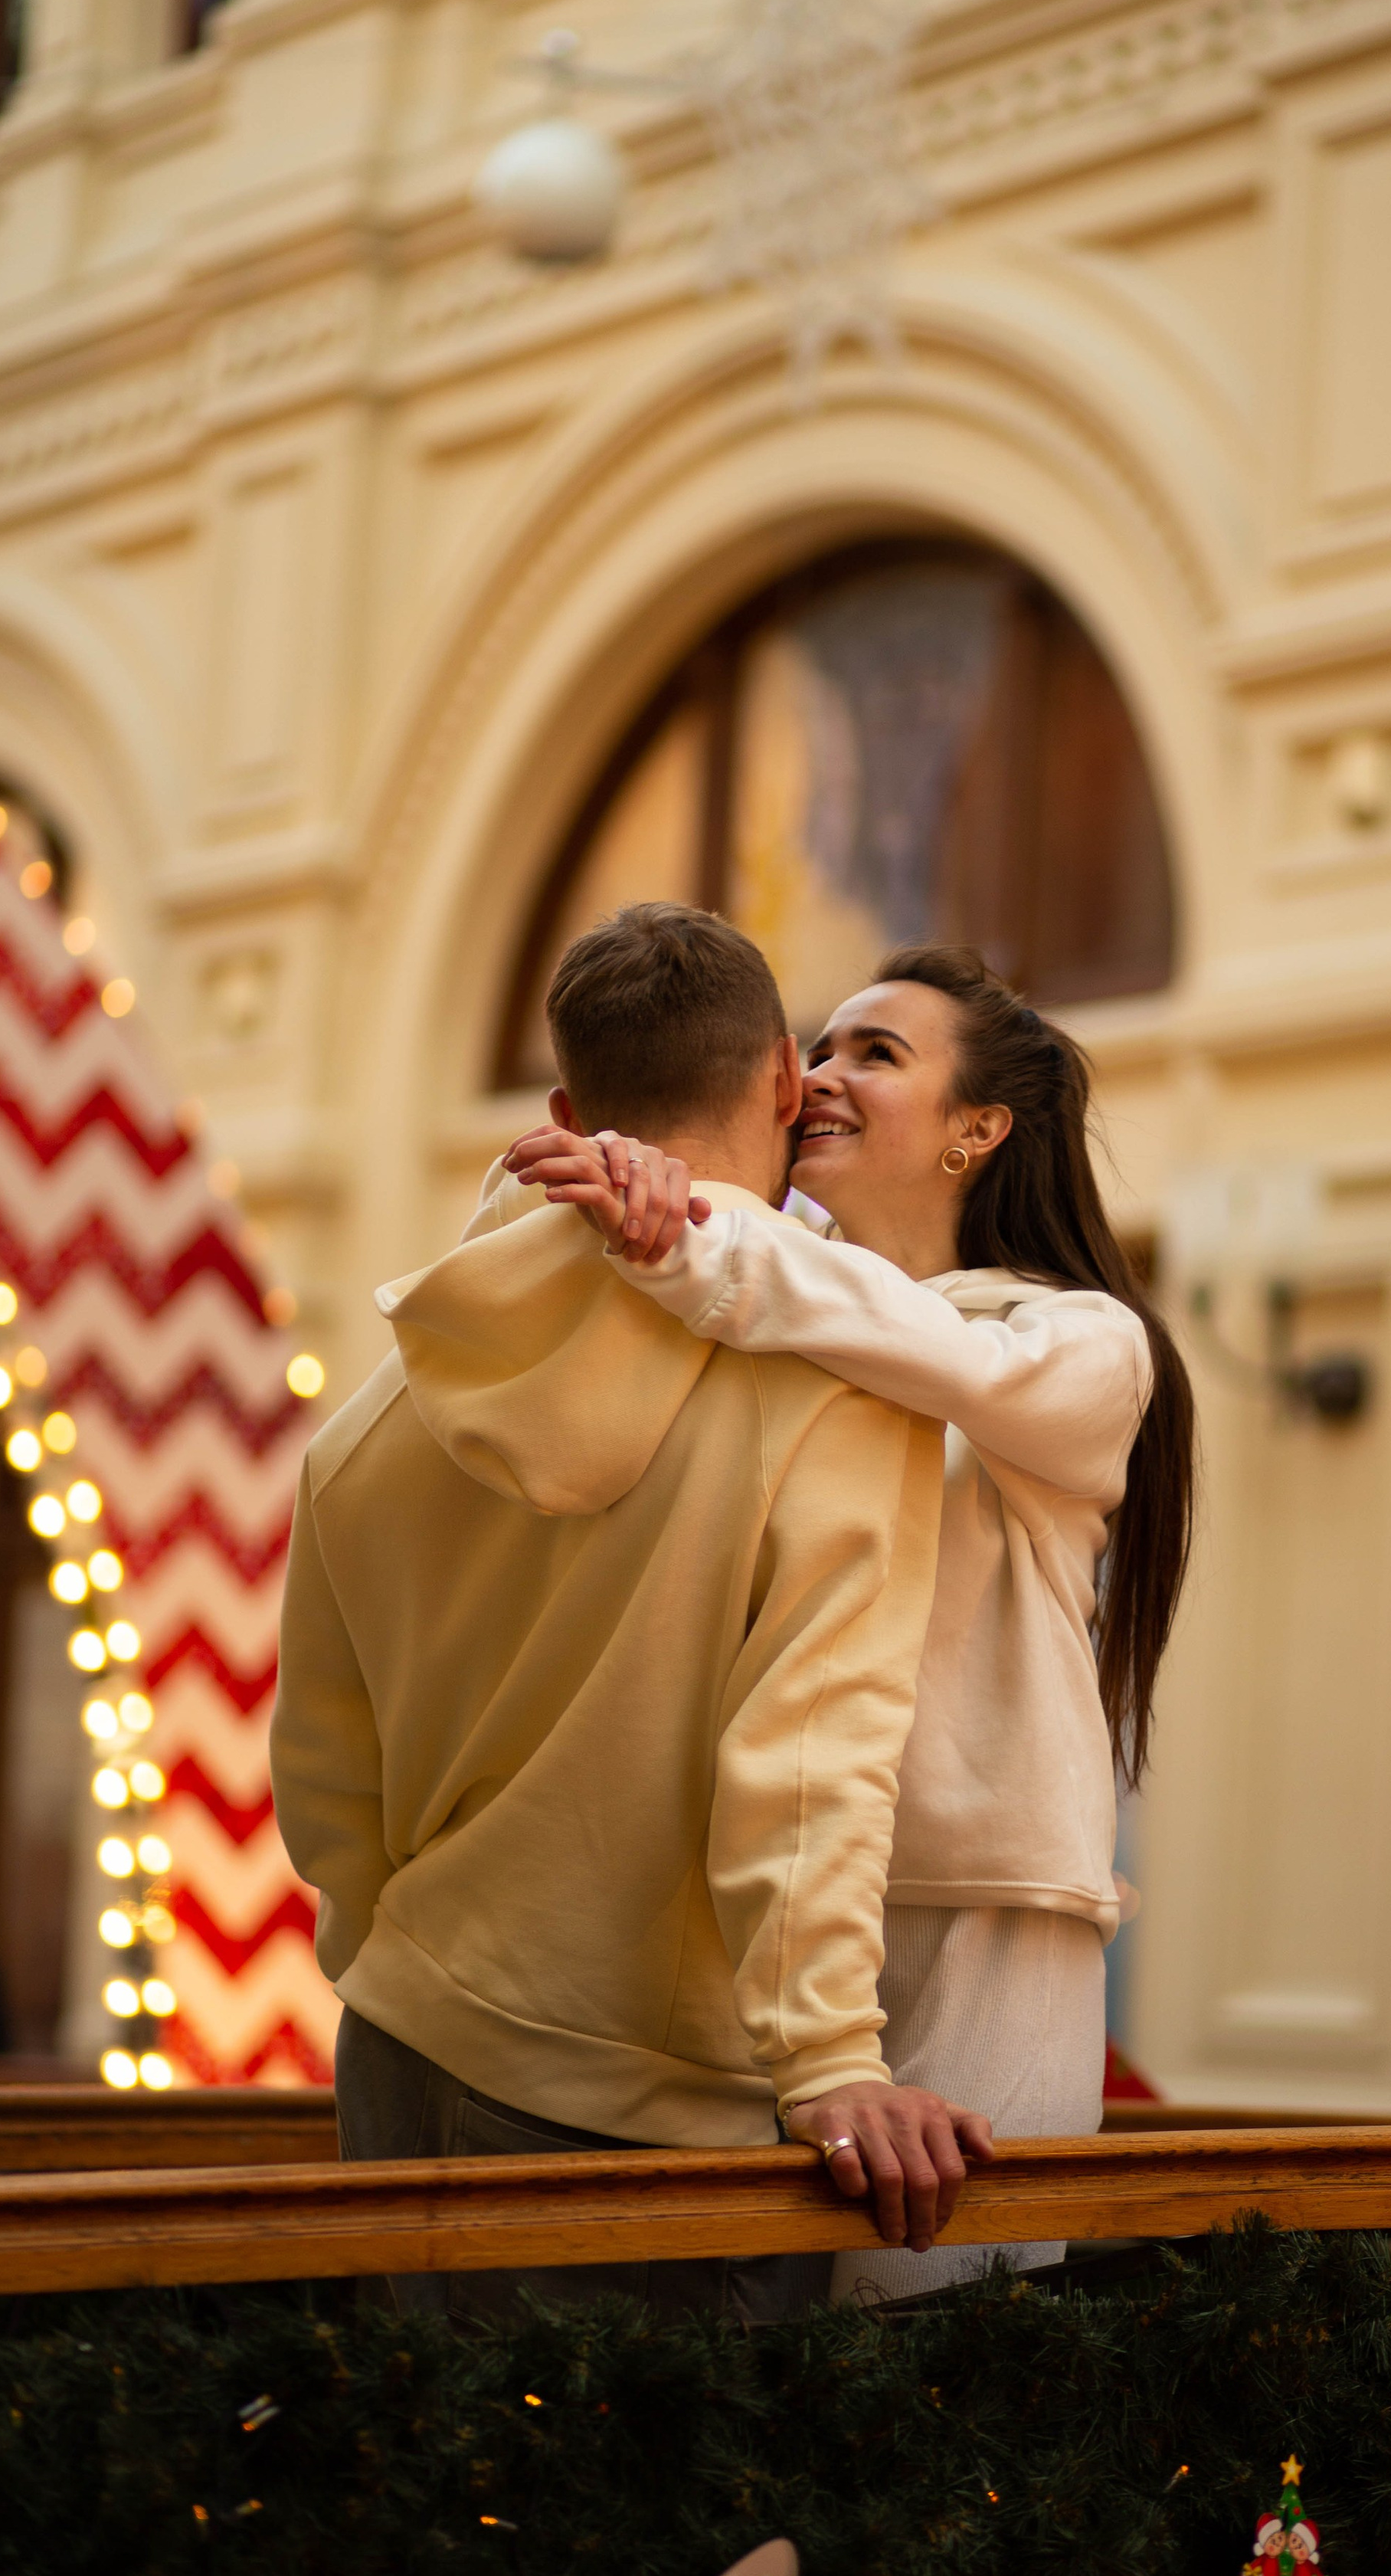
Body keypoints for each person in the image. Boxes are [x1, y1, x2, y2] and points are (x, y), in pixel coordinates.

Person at [270, 906, 991, 2324]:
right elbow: (810, 1749)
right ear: (787, 1083)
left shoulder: (372, 1420)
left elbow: (320, 1767)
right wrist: (832, 2057)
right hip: (646, 2124)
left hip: (400, 2050)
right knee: (658, 2548)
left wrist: (406, 1957)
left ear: (562, 1111)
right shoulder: (847, 1383)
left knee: (415, 2529)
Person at [499, 942, 1196, 2299]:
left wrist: (693, 1222)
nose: (818, 1077)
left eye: (876, 1054)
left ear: (980, 1130)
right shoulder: (760, 1279)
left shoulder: (1080, 1346)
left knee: (930, 2349)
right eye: (817, 1049)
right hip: (756, 1913)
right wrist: (637, 1184)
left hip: (980, 1913)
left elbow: (930, 1353)